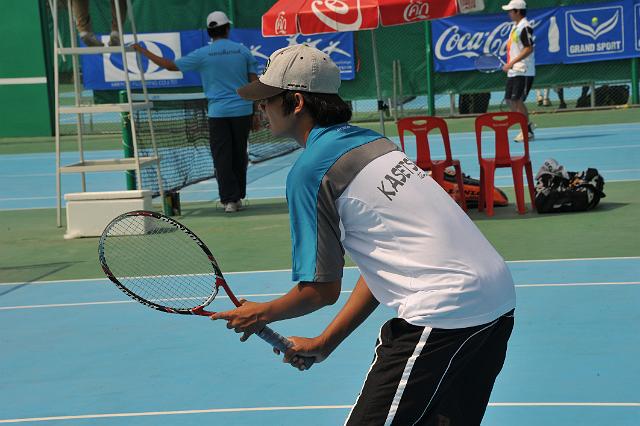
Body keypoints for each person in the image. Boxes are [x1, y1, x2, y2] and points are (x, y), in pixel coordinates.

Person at [211, 44, 517, 425]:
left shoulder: (310, 172)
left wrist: (261, 313)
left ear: (297, 102)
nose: (261, 107)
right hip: (497, 298)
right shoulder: (375, 142)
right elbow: (383, 268)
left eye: (268, 99)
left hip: (446, 308)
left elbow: (320, 290)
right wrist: (325, 342)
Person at [133, 11, 259, 213]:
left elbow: (170, 65)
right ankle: (237, 197)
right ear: (227, 29)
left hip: (218, 114)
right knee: (239, 154)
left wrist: (142, 50)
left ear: (209, 32)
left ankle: (230, 200)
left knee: (222, 157)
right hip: (242, 111)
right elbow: (254, 82)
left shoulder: (203, 54)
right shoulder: (242, 51)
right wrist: (258, 112)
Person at [502, 0, 536, 142]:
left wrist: (512, 63)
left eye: (511, 11)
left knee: (517, 100)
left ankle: (526, 131)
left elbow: (529, 48)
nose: (509, 13)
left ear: (517, 11)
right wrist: (510, 64)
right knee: (509, 100)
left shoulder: (525, 27)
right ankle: (527, 126)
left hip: (523, 70)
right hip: (514, 71)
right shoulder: (515, 27)